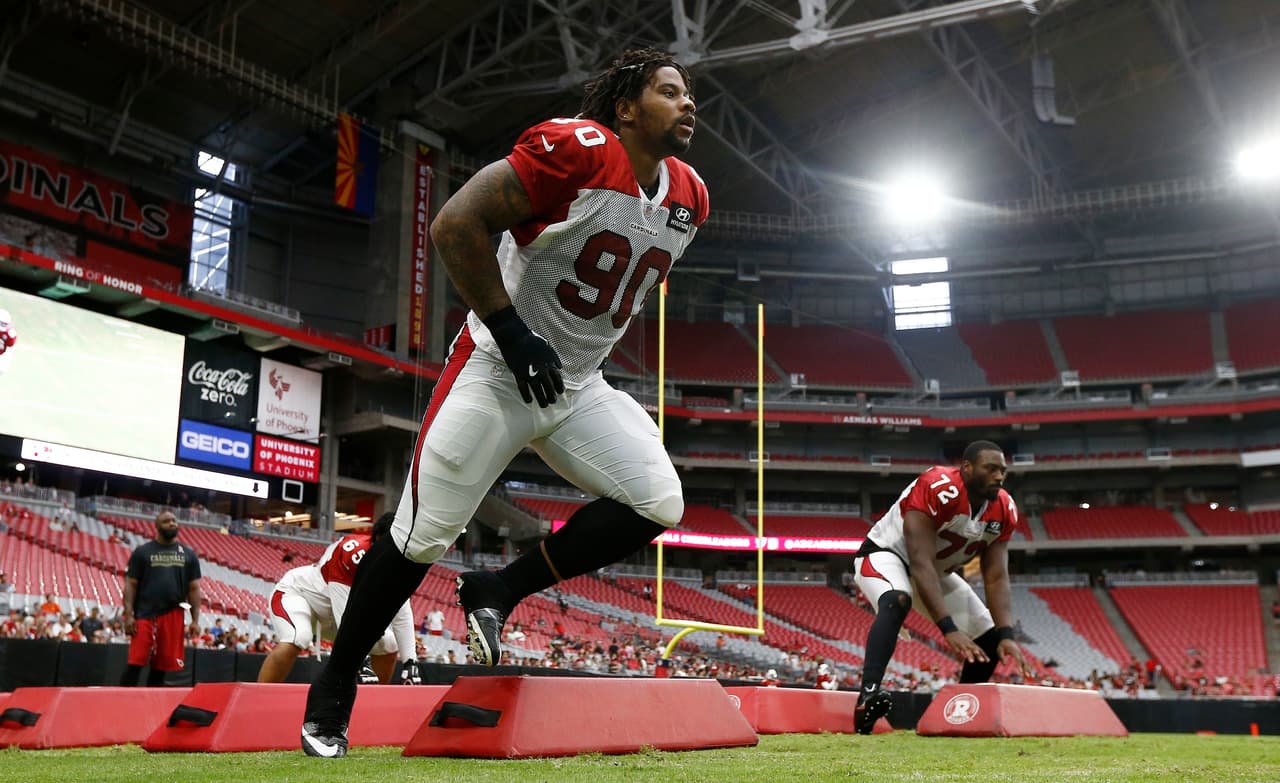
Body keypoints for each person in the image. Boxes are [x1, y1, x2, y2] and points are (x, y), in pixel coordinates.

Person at [300, 47, 706, 758]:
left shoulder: (690, 196)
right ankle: (335, 683)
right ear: (626, 109)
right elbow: (455, 223)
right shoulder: (577, 149)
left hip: (577, 383)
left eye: (689, 93)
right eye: (670, 92)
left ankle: (499, 585)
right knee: (421, 536)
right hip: (497, 366)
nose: (688, 103)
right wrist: (513, 330)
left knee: (658, 500)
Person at [850, 441, 1030, 734]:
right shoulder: (938, 485)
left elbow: (996, 576)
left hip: (934, 571)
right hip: (888, 555)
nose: (999, 476)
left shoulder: (1004, 509)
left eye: (1003, 471)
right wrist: (948, 628)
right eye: (991, 468)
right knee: (897, 598)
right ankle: (867, 697)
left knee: (988, 640)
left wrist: (1007, 633)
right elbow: (919, 562)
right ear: (967, 468)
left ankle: (958, 715)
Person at [259, 513, 415, 685]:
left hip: (334, 618)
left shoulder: (398, 564)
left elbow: (402, 613)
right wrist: (362, 660)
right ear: (380, 539)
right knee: (298, 637)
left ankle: (370, 705)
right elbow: (347, 614)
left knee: (389, 645)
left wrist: (410, 662)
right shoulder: (352, 552)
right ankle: (257, 702)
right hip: (301, 596)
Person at [120, 510, 202, 687]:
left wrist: (195, 620)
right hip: (144, 614)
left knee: (161, 666)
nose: (172, 524)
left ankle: (151, 706)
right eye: (166, 521)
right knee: (136, 662)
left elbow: (194, 588)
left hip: (173, 614)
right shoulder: (142, 552)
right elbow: (130, 585)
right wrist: (129, 615)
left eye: (174, 521)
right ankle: (122, 701)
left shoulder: (188, 554)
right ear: (157, 526)